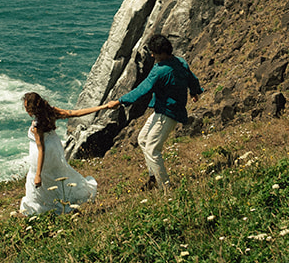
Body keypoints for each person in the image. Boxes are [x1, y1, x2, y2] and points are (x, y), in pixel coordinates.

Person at [106, 34, 202, 190]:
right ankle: (154, 178)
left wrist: (119, 102)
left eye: (154, 53)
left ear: (162, 53)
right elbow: (191, 78)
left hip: (167, 114)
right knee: (142, 139)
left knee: (152, 149)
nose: (152, 55)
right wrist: (194, 91)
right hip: (164, 110)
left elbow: (142, 90)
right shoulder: (180, 62)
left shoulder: (160, 71)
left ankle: (166, 189)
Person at [19, 92, 112, 215]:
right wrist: (103, 107)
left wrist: (38, 174)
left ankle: (42, 209)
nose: (26, 110)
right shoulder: (51, 113)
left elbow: (41, 150)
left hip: (44, 155)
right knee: (56, 177)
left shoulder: (37, 126)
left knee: (39, 179)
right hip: (55, 150)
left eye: (27, 107)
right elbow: (75, 113)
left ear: (32, 108)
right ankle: (60, 204)